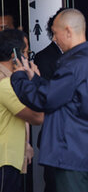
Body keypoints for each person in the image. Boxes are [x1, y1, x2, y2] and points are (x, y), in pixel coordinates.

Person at [10, 9, 88, 192]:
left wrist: (18, 77)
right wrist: (34, 78)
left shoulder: (75, 64)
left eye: (55, 34)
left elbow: (44, 99)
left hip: (71, 151)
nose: (54, 39)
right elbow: (61, 93)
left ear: (68, 31)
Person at [0, 29, 44, 192]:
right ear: (14, 55)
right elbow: (36, 117)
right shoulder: (5, 83)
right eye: (25, 53)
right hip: (5, 159)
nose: (27, 58)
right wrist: (35, 82)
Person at [34, 7, 65, 192]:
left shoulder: (84, 55)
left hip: (81, 138)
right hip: (56, 137)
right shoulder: (44, 58)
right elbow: (47, 98)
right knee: (55, 185)